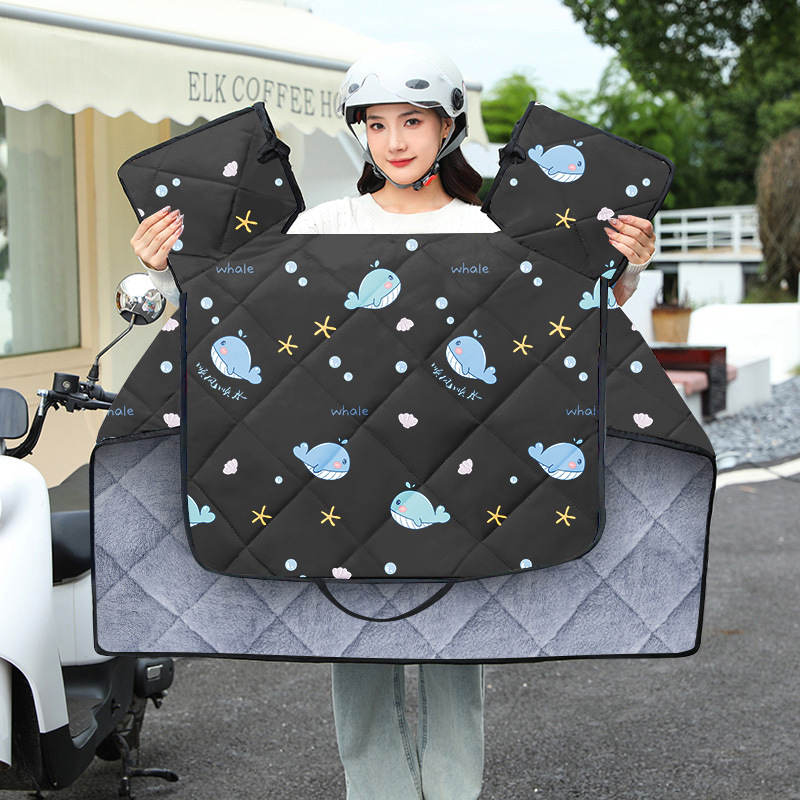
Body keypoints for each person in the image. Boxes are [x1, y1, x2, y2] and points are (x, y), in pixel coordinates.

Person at [131, 41, 656, 800]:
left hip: (460, 465)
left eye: (413, 120)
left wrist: (625, 267)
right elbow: (241, 317)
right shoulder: (322, 224)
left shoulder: (492, 232)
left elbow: (568, 325)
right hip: (351, 471)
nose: (395, 141)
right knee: (359, 656)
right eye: (376, 124)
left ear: (449, 128)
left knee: (454, 655)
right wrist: (164, 270)